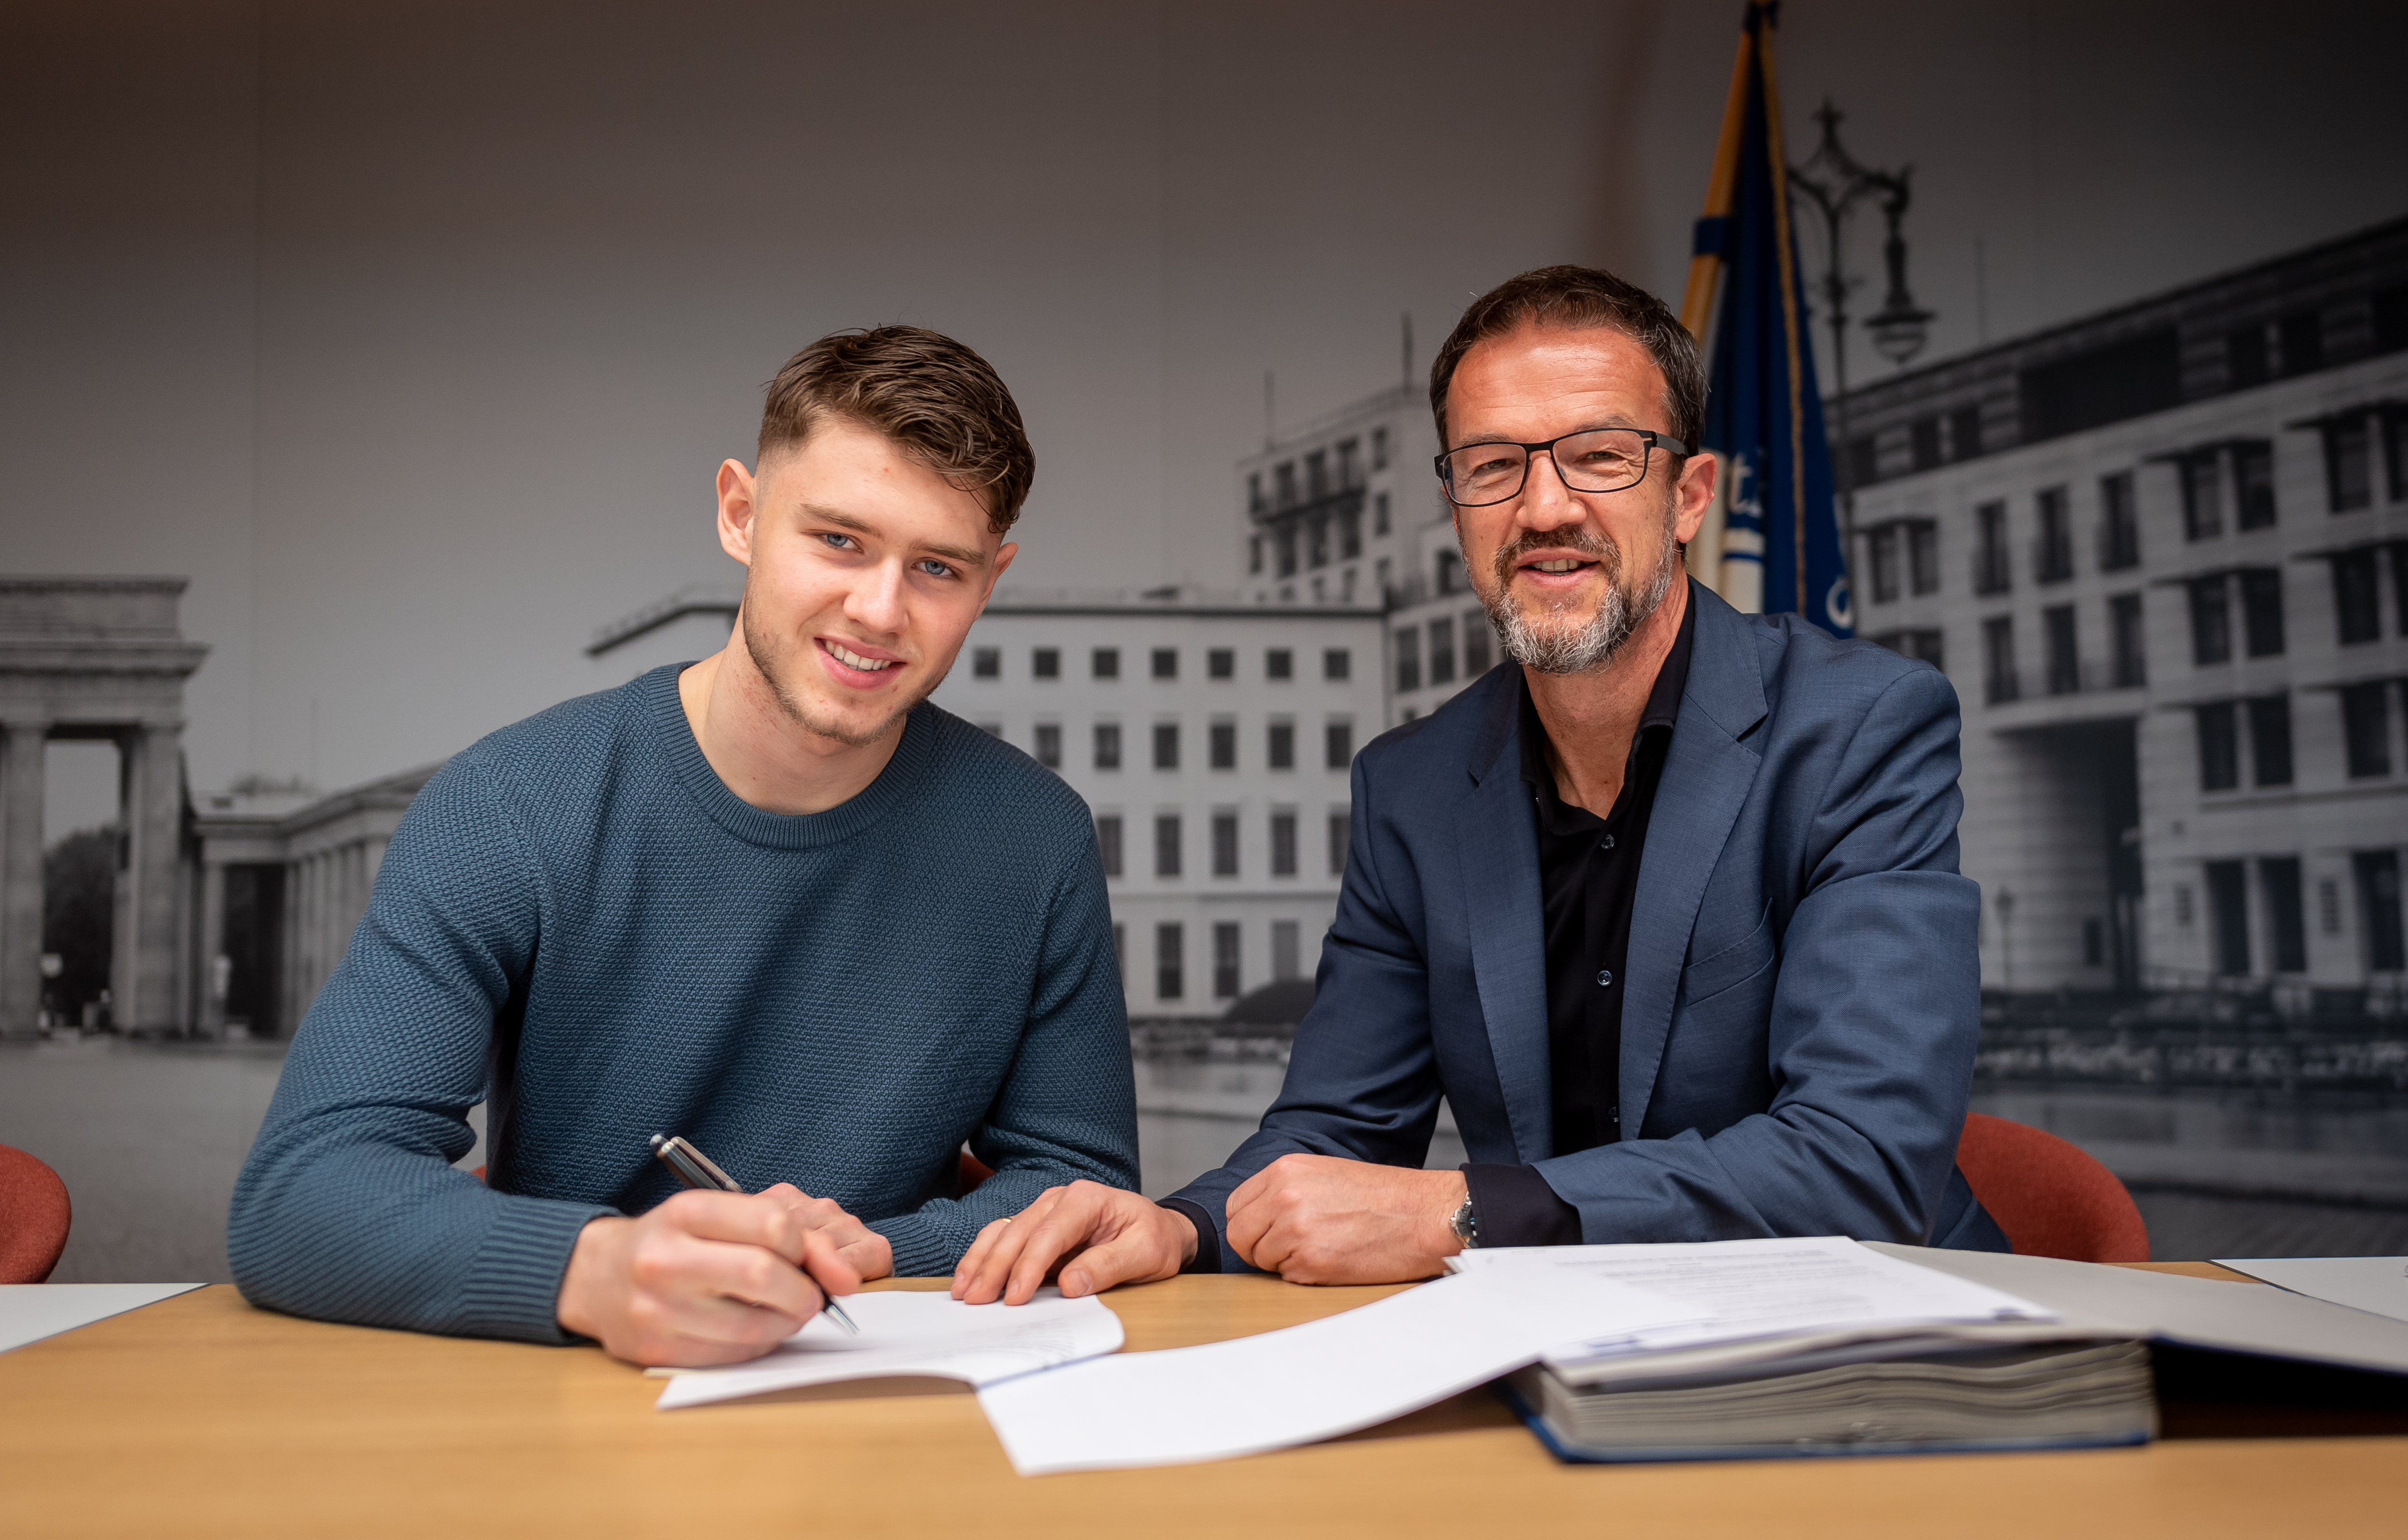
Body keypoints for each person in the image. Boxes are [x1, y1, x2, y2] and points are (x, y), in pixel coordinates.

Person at [954, 265, 2004, 1305]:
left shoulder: (1859, 727)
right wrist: (1179, 1226)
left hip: (1888, 1343)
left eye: (1599, 456)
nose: (1544, 508)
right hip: (1570, 1351)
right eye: (1493, 466)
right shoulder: (1409, 789)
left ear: (1687, 497)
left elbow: (1863, 1159)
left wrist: (1464, 1213)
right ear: (1454, 505)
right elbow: (1338, 1128)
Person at [230, 325, 1138, 1365]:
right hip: (579, 1394)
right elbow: (302, 1191)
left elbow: (1082, 1192)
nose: (880, 610)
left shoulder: (1034, 838)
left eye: (938, 567)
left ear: (992, 579)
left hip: (891, 1395)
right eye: (838, 541)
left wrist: (887, 1248)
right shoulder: (507, 803)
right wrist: (596, 1269)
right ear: (740, 515)